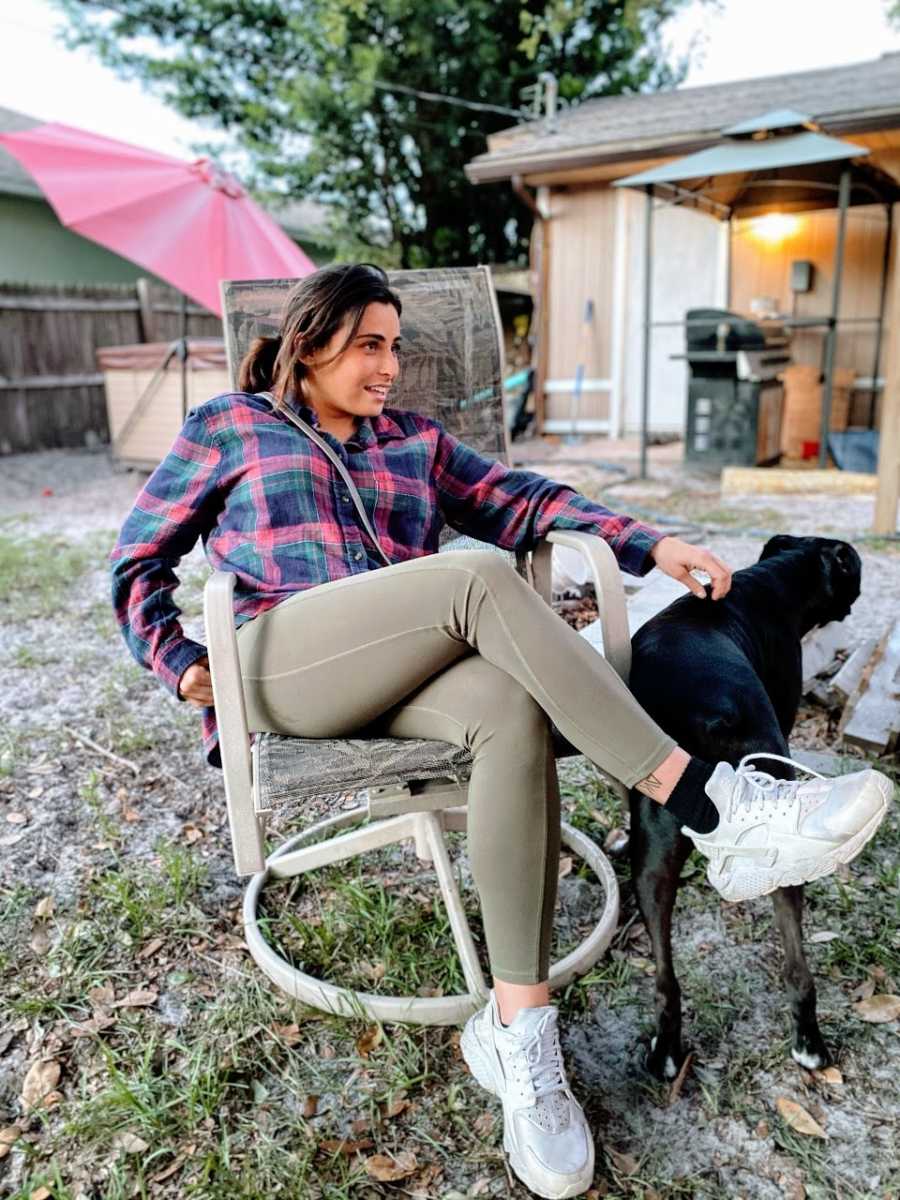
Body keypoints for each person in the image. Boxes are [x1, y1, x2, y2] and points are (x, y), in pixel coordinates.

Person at [111, 264, 891, 1200]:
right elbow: (136, 558)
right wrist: (179, 660)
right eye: (370, 344)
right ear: (308, 343)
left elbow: (524, 499)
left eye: (396, 345)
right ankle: (716, 805)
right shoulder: (230, 426)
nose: (391, 366)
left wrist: (648, 543)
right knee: (478, 578)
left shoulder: (411, 442)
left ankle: (519, 1036)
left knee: (511, 710)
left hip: (407, 674)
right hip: (287, 665)